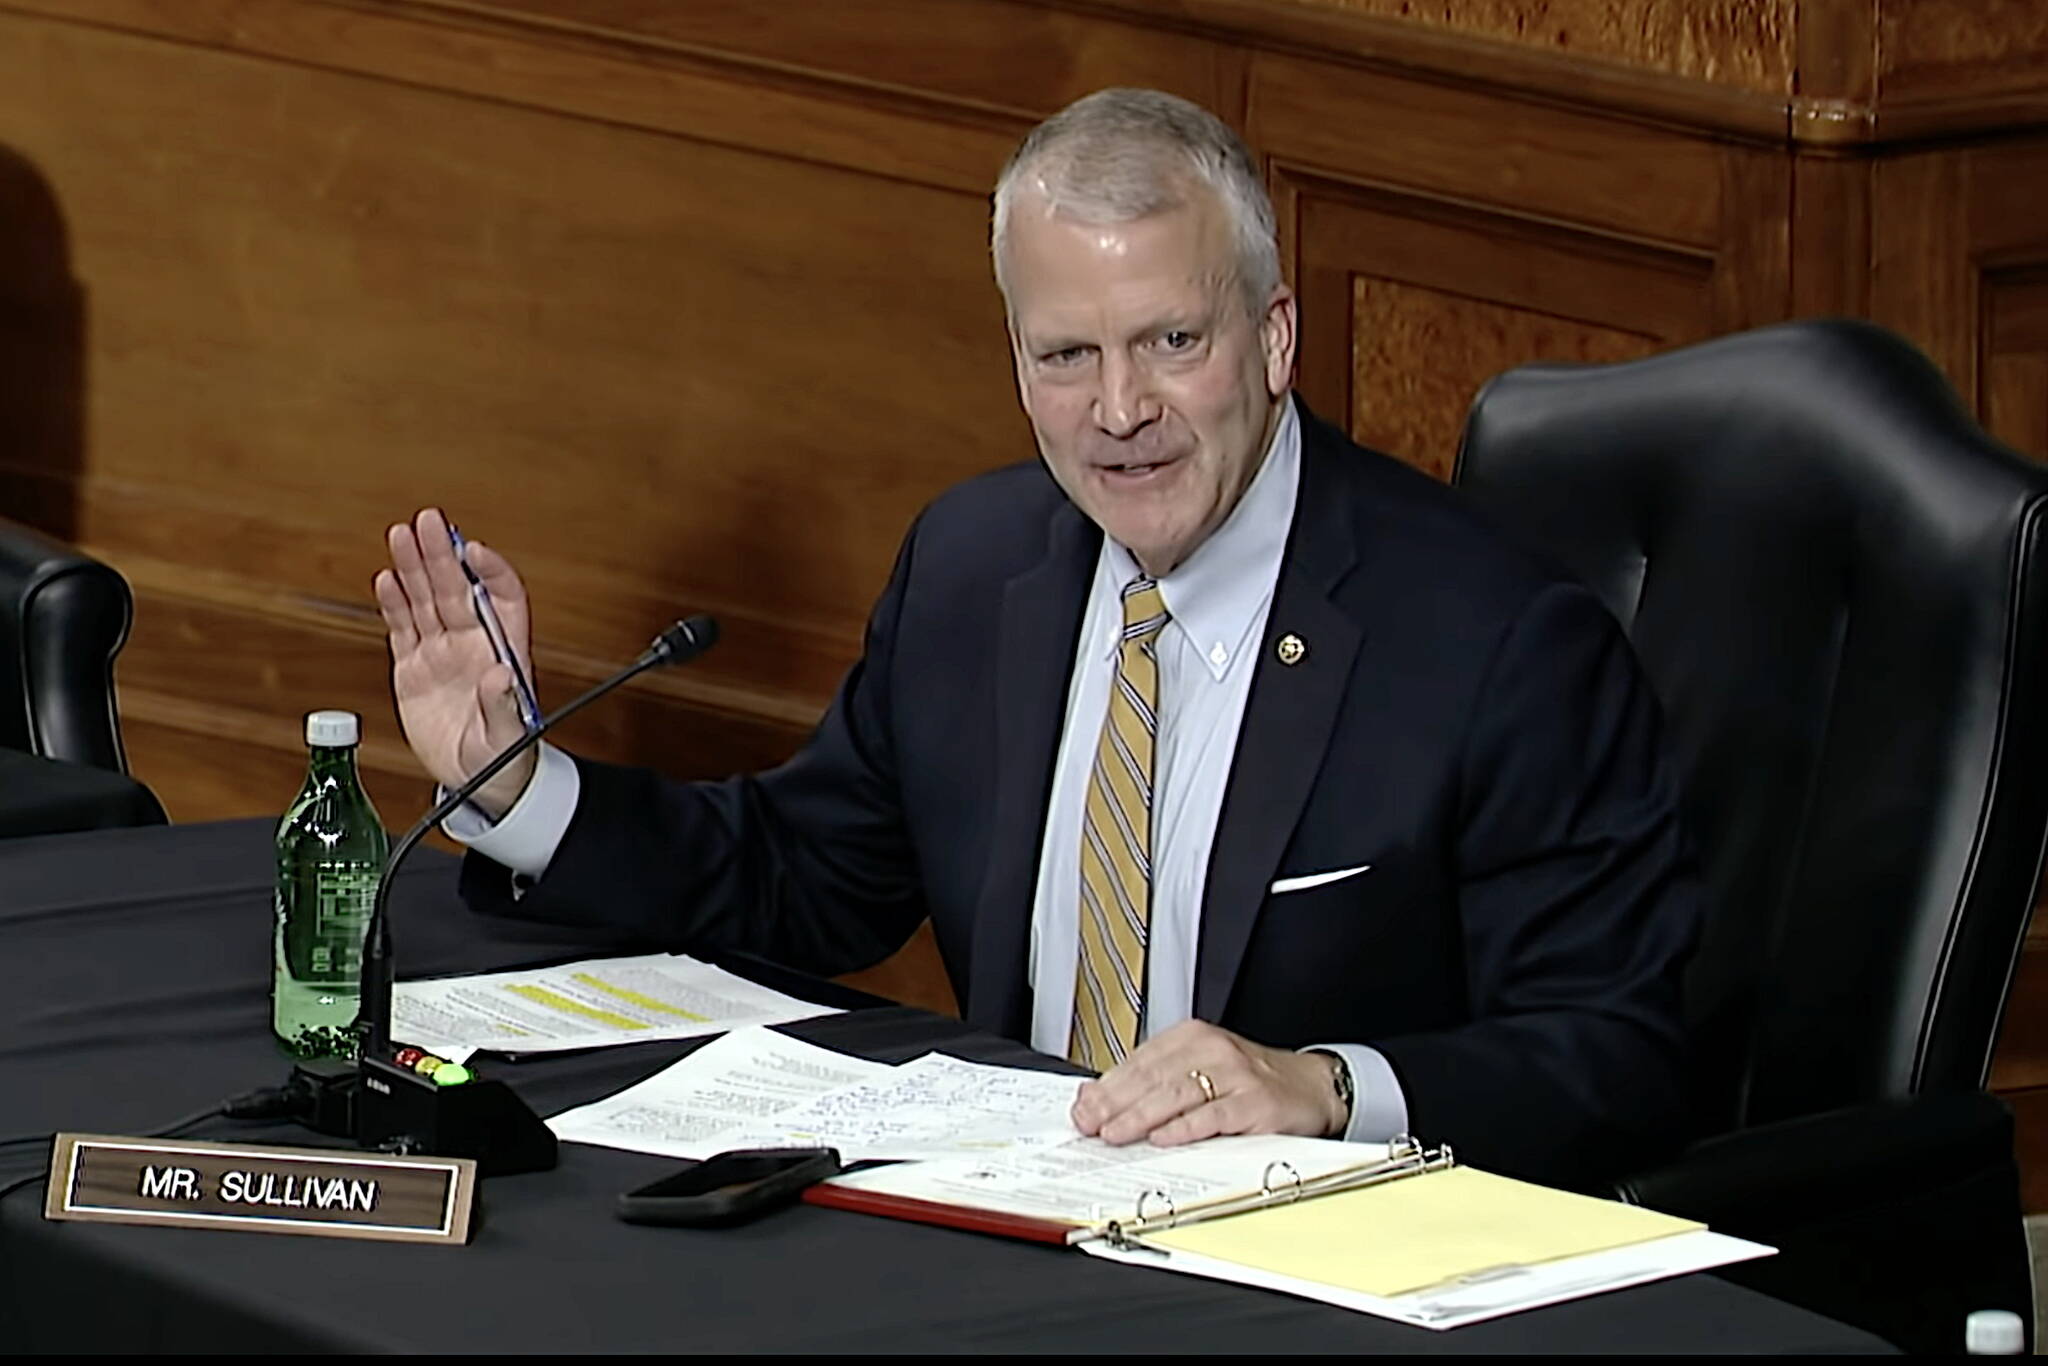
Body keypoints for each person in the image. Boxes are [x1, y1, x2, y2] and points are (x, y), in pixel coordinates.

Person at [374, 88, 1702, 1186]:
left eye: (1171, 342)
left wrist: (1324, 1083)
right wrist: (517, 782)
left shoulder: (1495, 637)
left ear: (1275, 336)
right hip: (1013, 1232)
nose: (1120, 410)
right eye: (1067, 357)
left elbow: (1619, 1053)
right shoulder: (975, 564)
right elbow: (804, 875)